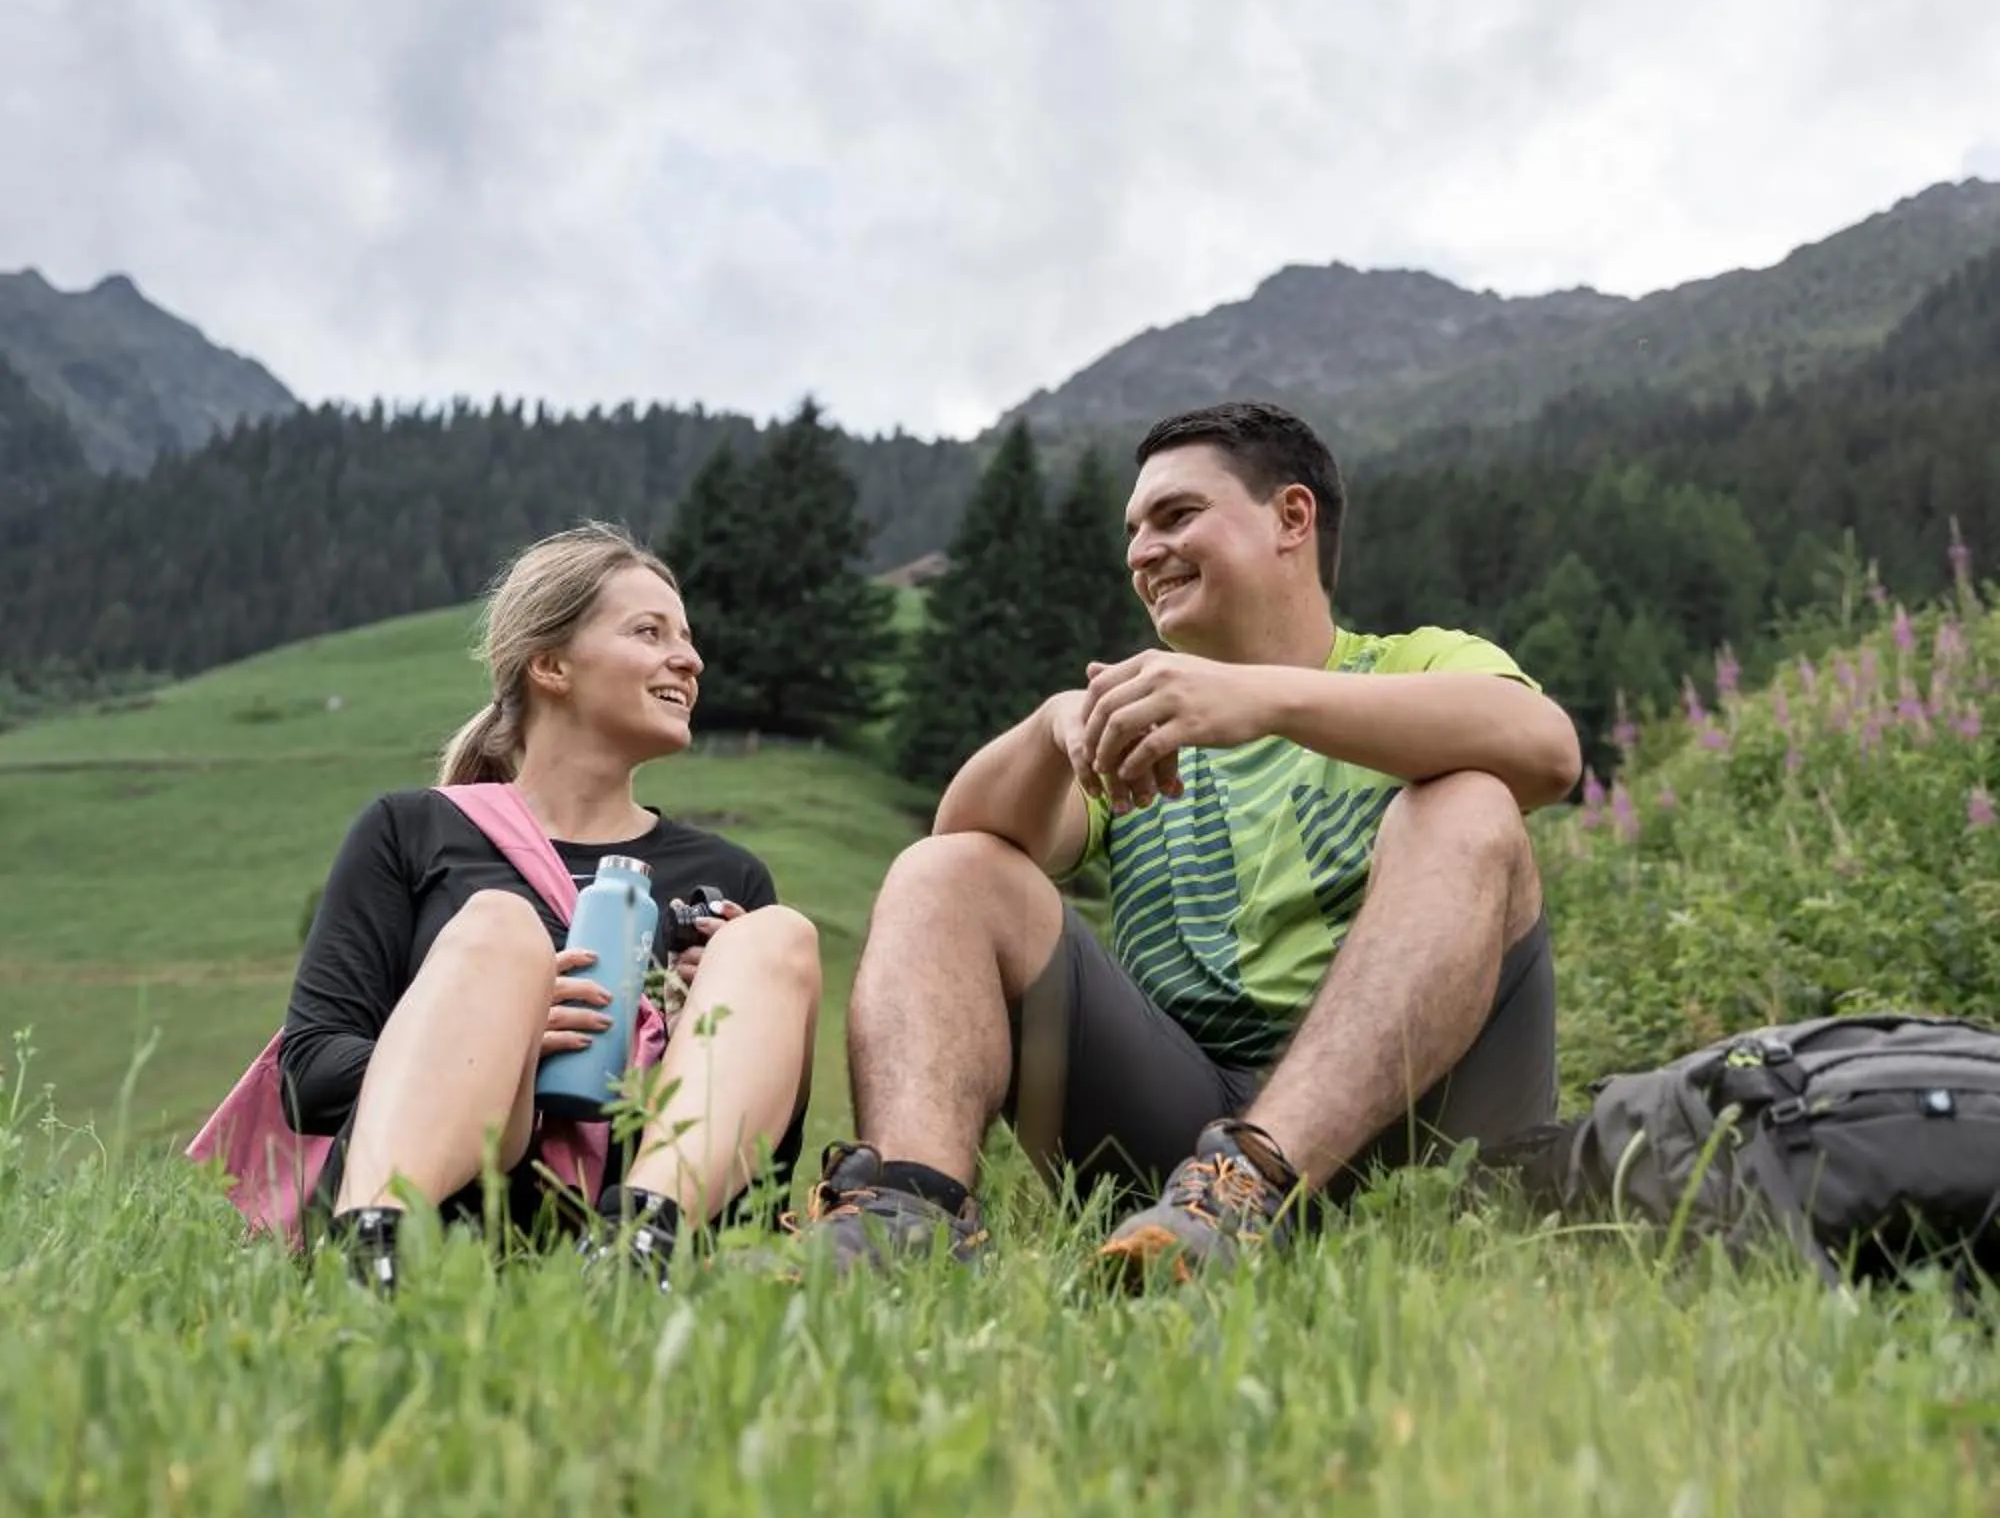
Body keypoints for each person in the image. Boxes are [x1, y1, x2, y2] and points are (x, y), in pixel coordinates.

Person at [802, 400, 1580, 1276]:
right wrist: (1056, 727)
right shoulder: (1141, 723)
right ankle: (909, 1224)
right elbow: (962, 855)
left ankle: (1256, 1186)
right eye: (1133, 530)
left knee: (1470, 801)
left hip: (1428, 1129)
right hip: (1181, 1164)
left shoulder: (1417, 664)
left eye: (1177, 516)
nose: (1140, 552)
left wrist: (1265, 700)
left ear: (1292, 517)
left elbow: (1546, 751)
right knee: (946, 870)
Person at [282, 522, 820, 1293]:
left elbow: (774, 1148)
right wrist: (502, 1049)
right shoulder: (413, 830)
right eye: (649, 631)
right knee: (501, 927)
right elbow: (307, 1075)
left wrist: (701, 1028)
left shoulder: (728, 877)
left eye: (688, 637)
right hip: (455, 1211)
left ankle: (638, 1250)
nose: (691, 659)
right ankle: (372, 1255)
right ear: (551, 663)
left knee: (779, 941)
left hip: (647, 1211)